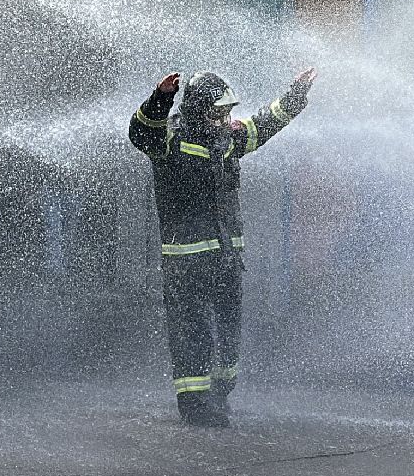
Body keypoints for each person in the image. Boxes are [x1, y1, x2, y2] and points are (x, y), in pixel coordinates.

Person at [128, 67, 316, 426]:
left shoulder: (226, 141)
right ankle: (194, 405)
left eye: (226, 112)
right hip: (186, 263)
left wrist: (295, 95)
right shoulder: (170, 141)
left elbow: (264, 125)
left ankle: (219, 393)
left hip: (227, 259)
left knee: (228, 332)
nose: (225, 119)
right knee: (192, 332)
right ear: (199, 109)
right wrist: (161, 98)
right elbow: (141, 132)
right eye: (218, 112)